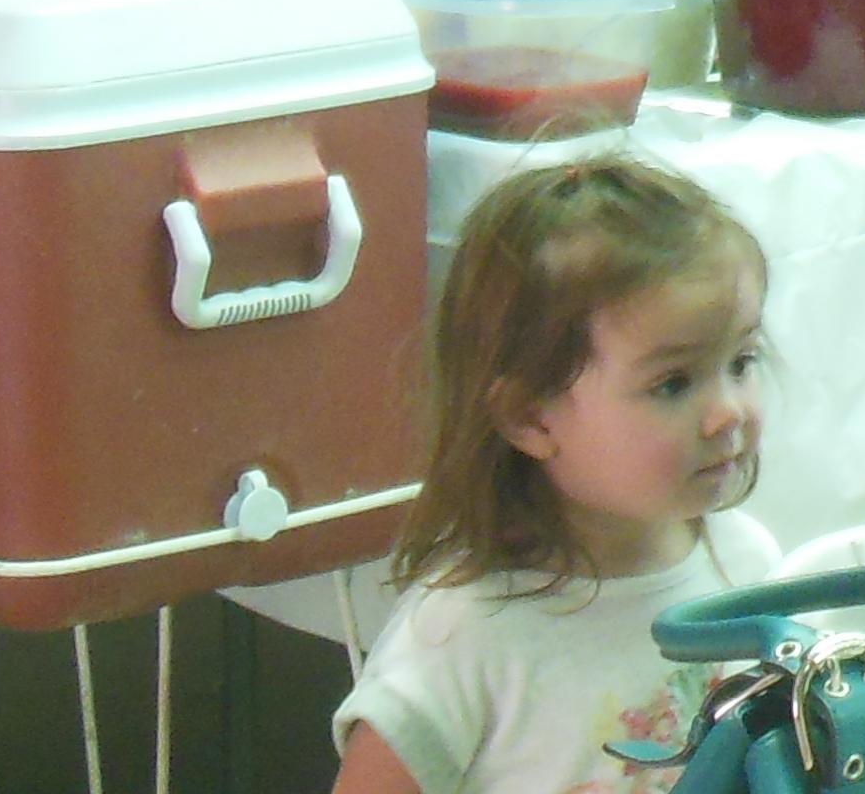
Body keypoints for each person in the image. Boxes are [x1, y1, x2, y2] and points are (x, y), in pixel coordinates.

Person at [331, 159, 774, 794]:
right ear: (529, 416)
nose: (728, 411)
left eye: (741, 361)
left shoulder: (747, 570)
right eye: (673, 383)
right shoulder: (462, 636)